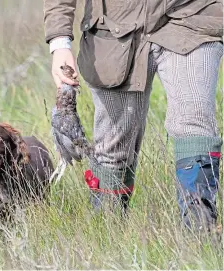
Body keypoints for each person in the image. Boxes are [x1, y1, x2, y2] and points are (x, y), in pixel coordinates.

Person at [43, 0, 223, 231]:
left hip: (191, 17)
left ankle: (201, 237)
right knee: (113, 147)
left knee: (194, 121)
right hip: (114, 30)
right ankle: (106, 241)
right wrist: (60, 43)